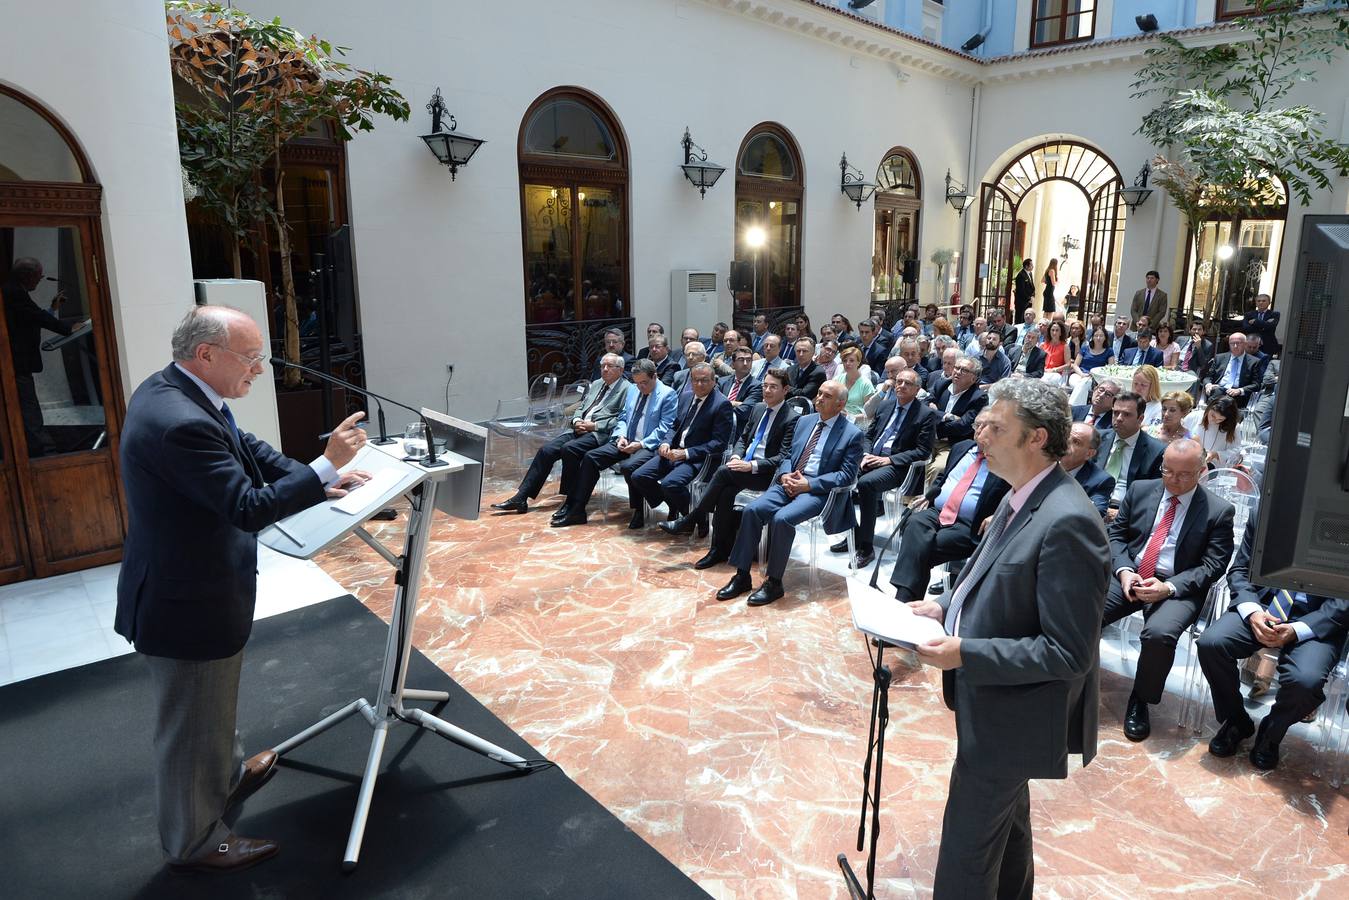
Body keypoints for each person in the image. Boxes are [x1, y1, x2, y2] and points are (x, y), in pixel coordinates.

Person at [116, 305, 370, 873]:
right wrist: (323, 467)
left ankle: (224, 782)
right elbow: (245, 506)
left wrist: (318, 476)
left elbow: (245, 447)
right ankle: (194, 840)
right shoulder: (179, 421)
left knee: (211, 713)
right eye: (253, 357)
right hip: (186, 603)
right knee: (190, 729)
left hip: (194, 590)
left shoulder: (179, 392)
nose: (261, 368)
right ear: (206, 355)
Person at [906, 378, 1109, 899]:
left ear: (1037, 438)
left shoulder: (1068, 522)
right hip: (993, 707)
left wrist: (964, 652)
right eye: (980, 426)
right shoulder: (1022, 496)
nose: (982, 438)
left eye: (996, 428)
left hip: (1014, 716)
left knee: (965, 858)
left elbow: (1069, 653)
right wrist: (944, 606)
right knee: (1007, 835)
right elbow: (991, 576)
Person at [1101, 439, 1235, 741]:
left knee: (1159, 635)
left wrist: (1169, 587)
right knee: (1084, 612)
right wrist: (1123, 571)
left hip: (1178, 584)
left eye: (1183, 474)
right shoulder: (1141, 490)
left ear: (1201, 472)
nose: (1173, 480)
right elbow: (1116, 535)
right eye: (1167, 471)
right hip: (1131, 574)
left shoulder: (1218, 511)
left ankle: (1141, 699)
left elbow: (1213, 565)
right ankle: (1068, 679)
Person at [1198, 510, 1349, 769]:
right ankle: (1236, 721)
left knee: (1306, 680)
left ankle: (1272, 733)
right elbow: (1240, 570)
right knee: (1211, 643)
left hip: (1318, 619)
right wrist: (1253, 610)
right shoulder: (1268, 511)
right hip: (1263, 605)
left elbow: (1344, 599)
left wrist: (1299, 629)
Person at [715, 381, 863, 606]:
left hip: (818, 491)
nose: (819, 398)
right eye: (819, 393)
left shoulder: (852, 434)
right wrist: (784, 474)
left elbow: (846, 476)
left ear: (840, 404)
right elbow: (787, 456)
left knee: (781, 519)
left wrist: (809, 485)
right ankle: (742, 575)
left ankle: (774, 582)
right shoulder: (805, 422)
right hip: (788, 481)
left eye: (827, 396)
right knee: (752, 510)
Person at [659, 368, 799, 562]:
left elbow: (783, 457)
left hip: (767, 473)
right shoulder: (758, 408)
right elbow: (743, 439)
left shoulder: (792, 418)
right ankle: (719, 550)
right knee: (725, 493)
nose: (767, 390)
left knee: (723, 472)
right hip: (741, 467)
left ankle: (692, 518)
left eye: (773, 387)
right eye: (765, 385)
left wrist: (751, 466)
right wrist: (735, 457)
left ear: (785, 390)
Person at [492, 354, 631, 513]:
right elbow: (581, 407)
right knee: (547, 450)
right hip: (579, 428)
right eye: (602, 366)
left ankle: (570, 498)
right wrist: (577, 420)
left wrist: (595, 426)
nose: (604, 369)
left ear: (620, 370)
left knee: (569, 449)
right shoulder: (597, 384)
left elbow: (622, 419)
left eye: (609, 366)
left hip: (600, 434)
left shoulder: (627, 389)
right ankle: (521, 497)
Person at [550, 358, 679, 527]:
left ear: (655, 376)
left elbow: (664, 428)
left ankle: (639, 509)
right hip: (626, 440)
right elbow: (623, 417)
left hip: (648, 444)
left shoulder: (667, 394)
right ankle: (577, 509)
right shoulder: (633, 390)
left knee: (629, 467)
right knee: (590, 458)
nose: (641, 387)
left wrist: (640, 444)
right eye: (637, 383)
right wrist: (621, 436)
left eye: (644, 383)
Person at [889, 433, 1010, 601]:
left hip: (971, 524)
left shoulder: (1007, 459)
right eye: (979, 425)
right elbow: (944, 476)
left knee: (918, 549)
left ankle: (903, 601)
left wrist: (998, 514)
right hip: (938, 511)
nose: (982, 431)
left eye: (989, 426)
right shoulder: (961, 447)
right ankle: (907, 604)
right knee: (914, 522)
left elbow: (1018, 491)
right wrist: (930, 495)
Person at [846, 369, 936, 568]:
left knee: (866, 483)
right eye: (899, 381)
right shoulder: (885, 405)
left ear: (917, 389)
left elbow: (923, 451)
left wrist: (889, 460)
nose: (901, 386)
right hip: (871, 458)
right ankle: (855, 532)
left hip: (898, 467)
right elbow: (869, 435)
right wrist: (865, 455)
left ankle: (866, 547)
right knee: (841, 475)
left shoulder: (925, 414)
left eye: (907, 383)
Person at [628, 363, 733, 528]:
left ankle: (694, 519)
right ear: (691, 381)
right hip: (674, 452)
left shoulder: (721, 404)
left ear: (714, 381)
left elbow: (719, 444)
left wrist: (686, 453)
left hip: (699, 459)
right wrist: (666, 442)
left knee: (670, 484)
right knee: (638, 476)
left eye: (704, 380)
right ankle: (678, 508)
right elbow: (674, 426)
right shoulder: (686, 397)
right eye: (696, 380)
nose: (699, 384)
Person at [2, 257, 74, 456]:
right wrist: (68, 328)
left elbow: (33, 317)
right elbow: (37, 317)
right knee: (28, 407)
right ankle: (43, 451)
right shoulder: (14, 293)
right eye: (38, 276)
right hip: (16, 364)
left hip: (17, 364)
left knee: (26, 406)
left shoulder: (15, 291)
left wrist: (53, 308)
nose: (40, 280)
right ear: (27, 275)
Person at [1096, 391, 1166, 520]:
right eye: (1116, 413)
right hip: (1091, 504)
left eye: (1126, 414)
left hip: (1126, 513)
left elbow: (1154, 495)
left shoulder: (1157, 451)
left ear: (1140, 418)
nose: (1119, 418)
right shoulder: (1097, 439)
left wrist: (1123, 514)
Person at [1062, 421, 1115, 518]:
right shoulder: (1043, 459)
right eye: (1066, 437)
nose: (1066, 443)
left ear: (1089, 454)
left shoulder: (1101, 481)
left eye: (1076, 442)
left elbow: (1095, 513)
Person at [1203, 332, 1260, 407]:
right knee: (1217, 394)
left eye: (1238, 343)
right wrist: (1208, 385)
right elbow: (1208, 377)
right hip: (1218, 390)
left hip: (1237, 394)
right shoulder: (1220, 358)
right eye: (1232, 343)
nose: (1235, 346)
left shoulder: (1254, 362)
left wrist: (1240, 390)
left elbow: (1256, 384)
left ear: (1245, 344)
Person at [717, 346, 762, 431]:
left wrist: (723, 405)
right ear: (733, 364)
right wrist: (735, 403)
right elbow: (713, 404)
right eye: (741, 360)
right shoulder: (721, 382)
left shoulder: (757, 386)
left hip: (736, 430)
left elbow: (745, 411)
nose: (745, 363)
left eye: (748, 360)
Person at [1197, 395, 1243, 468]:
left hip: (1215, 467)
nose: (1214, 421)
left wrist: (1216, 454)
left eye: (1220, 419)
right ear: (1209, 408)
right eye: (1213, 415)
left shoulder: (1234, 427)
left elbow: (1237, 452)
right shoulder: (1194, 416)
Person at [832, 346, 876, 420]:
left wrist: (849, 417)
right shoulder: (837, 379)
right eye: (845, 360)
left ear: (858, 362)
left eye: (851, 360)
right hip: (835, 418)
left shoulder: (866, 384)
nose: (847, 363)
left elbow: (870, 414)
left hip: (856, 423)